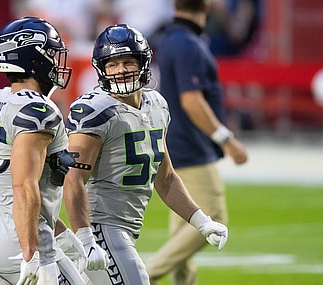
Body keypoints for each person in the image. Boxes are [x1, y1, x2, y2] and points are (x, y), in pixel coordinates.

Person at [62, 23, 229, 285]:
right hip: (101, 227)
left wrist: (201, 221)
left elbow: (166, 178)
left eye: (128, 61)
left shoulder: (157, 105)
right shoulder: (96, 110)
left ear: (144, 63)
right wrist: (85, 238)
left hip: (126, 229)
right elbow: (73, 180)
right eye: (112, 64)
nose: (120, 70)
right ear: (101, 69)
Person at [0, 17, 87, 285]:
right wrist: (33, 254)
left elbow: (17, 190)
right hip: (24, 245)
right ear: (34, 61)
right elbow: (24, 186)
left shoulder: (1, 99)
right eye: (51, 54)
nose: (57, 62)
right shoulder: (37, 111)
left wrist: (62, 233)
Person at [145, 1, 248, 285]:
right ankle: (143, 276)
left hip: (177, 143)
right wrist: (226, 139)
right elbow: (192, 100)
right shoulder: (187, 43)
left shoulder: (172, 38)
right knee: (213, 217)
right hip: (191, 146)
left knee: (185, 226)